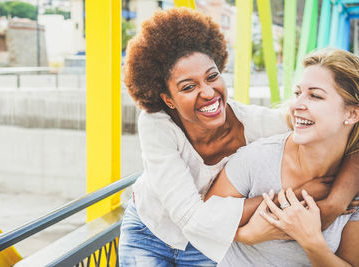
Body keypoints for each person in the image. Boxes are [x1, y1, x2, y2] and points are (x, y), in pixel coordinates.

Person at [118, 7, 359, 266]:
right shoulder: (157, 125)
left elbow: (348, 135)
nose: (208, 92)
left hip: (208, 244)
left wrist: (335, 203)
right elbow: (193, 218)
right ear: (168, 99)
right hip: (152, 233)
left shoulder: (257, 124)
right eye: (189, 87)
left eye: (212, 77)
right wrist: (283, 201)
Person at [207, 48, 359, 266]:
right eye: (298, 93)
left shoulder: (352, 188)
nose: (296, 105)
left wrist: (311, 241)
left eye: (315, 96)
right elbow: (204, 221)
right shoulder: (258, 158)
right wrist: (247, 234)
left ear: (352, 114)